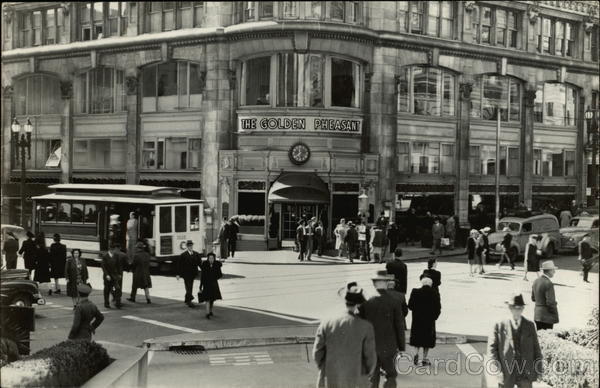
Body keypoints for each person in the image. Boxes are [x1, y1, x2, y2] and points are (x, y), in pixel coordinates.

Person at [313, 282, 376, 388]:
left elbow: (317, 352)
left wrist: (324, 368)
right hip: (356, 379)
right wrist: (366, 374)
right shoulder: (366, 327)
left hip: (330, 378)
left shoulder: (326, 322)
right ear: (358, 304)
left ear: (344, 301)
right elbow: (370, 358)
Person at [360, 272, 406, 388]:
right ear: (386, 284)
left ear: (374, 285)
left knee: (372, 376)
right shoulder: (394, 302)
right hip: (389, 346)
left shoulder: (366, 302)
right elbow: (399, 325)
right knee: (390, 375)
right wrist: (401, 347)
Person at [488, 293, 543, 388]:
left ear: (523, 309)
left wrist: (539, 370)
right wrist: (497, 370)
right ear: (509, 308)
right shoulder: (499, 325)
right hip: (506, 372)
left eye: (520, 308)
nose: (517, 311)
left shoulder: (529, 325)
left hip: (525, 372)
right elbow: (492, 349)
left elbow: (536, 349)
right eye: (514, 308)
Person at [408, 276, 441, 367]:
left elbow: (410, 306)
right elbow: (438, 308)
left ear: (422, 283)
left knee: (417, 338)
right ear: (430, 284)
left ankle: (416, 354)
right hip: (429, 320)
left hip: (417, 319)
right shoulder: (435, 293)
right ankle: (424, 358)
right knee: (427, 340)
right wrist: (434, 317)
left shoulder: (415, 292)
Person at [531, 260, 559, 330]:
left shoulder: (536, 281)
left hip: (537, 315)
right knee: (547, 337)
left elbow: (533, 298)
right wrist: (554, 312)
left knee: (540, 336)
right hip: (547, 317)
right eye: (553, 270)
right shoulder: (548, 283)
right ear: (549, 271)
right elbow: (550, 302)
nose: (554, 272)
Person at [177, 240, 201, 307]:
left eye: (191, 245)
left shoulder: (196, 254)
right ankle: (189, 301)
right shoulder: (183, 255)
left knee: (190, 286)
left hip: (193, 274)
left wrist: (205, 270)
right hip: (186, 274)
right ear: (187, 247)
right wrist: (178, 274)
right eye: (189, 246)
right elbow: (179, 265)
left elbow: (200, 264)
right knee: (188, 287)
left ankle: (187, 299)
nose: (190, 247)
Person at [199, 252, 223, 319]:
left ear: (214, 259)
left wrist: (215, 277)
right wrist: (200, 286)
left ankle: (210, 311)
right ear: (208, 258)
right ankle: (207, 313)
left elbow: (220, 274)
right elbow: (202, 276)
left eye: (212, 258)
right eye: (210, 258)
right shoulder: (205, 264)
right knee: (207, 299)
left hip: (214, 284)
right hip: (206, 284)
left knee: (212, 299)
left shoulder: (216, 265)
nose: (211, 259)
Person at [101, 244, 123, 309]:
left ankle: (118, 303)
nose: (113, 251)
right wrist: (107, 275)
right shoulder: (105, 256)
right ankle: (106, 303)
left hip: (115, 275)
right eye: (112, 250)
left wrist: (119, 274)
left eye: (113, 250)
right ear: (109, 249)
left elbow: (118, 265)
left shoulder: (116, 256)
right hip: (108, 276)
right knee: (107, 290)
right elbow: (103, 266)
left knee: (117, 289)